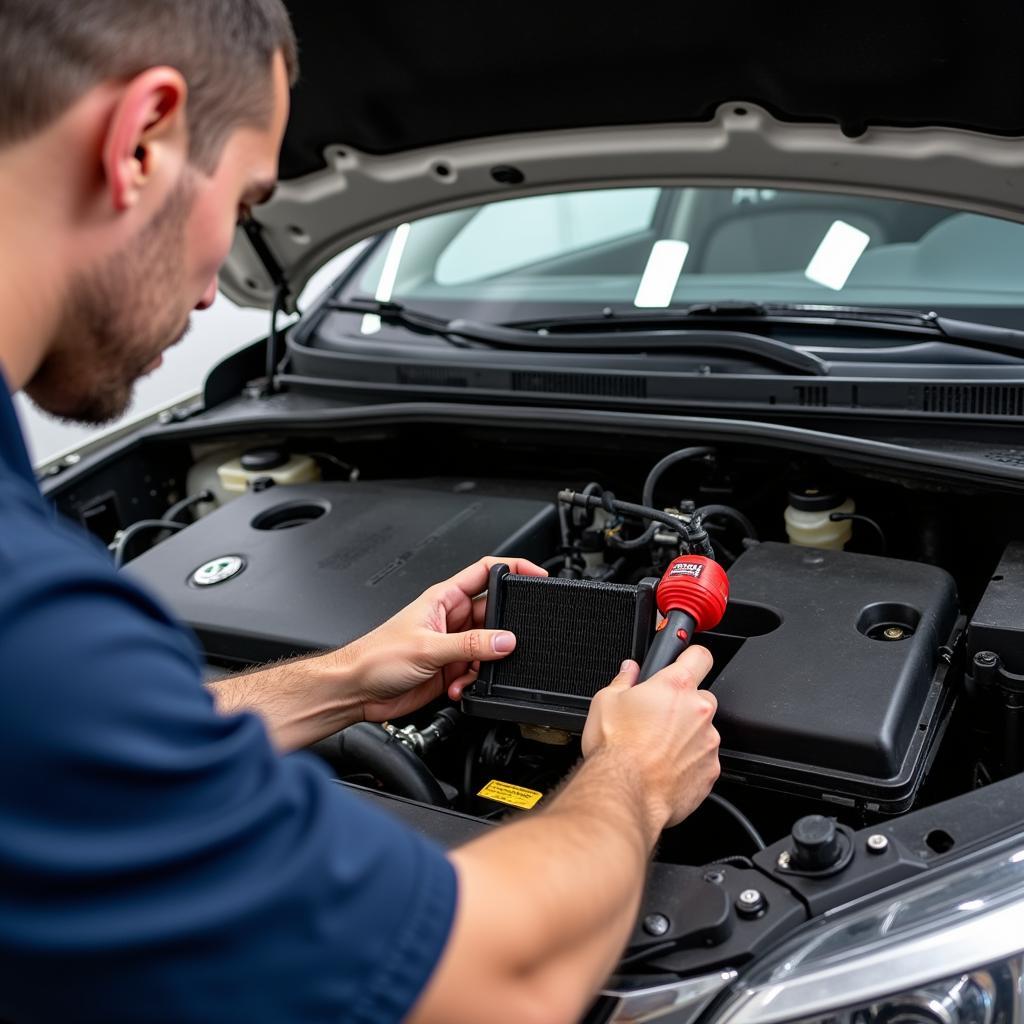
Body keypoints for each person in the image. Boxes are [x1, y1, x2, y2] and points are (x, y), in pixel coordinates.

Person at [0, 2, 721, 1022]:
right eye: (247, 202)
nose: (216, 294)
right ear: (143, 140)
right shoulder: (33, 615)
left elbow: (61, 763)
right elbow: (493, 982)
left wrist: (341, 680)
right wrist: (634, 779)